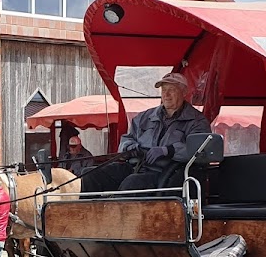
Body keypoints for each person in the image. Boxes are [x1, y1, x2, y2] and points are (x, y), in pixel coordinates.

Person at [79, 72, 212, 194]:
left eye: (172, 90)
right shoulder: (144, 117)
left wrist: (169, 150)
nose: (166, 95)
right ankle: (90, 212)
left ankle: (119, 213)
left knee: (132, 183)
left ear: (184, 92)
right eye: (164, 90)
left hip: (167, 173)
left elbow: (201, 150)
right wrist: (130, 147)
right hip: (136, 166)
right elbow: (126, 140)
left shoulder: (197, 121)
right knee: (90, 174)